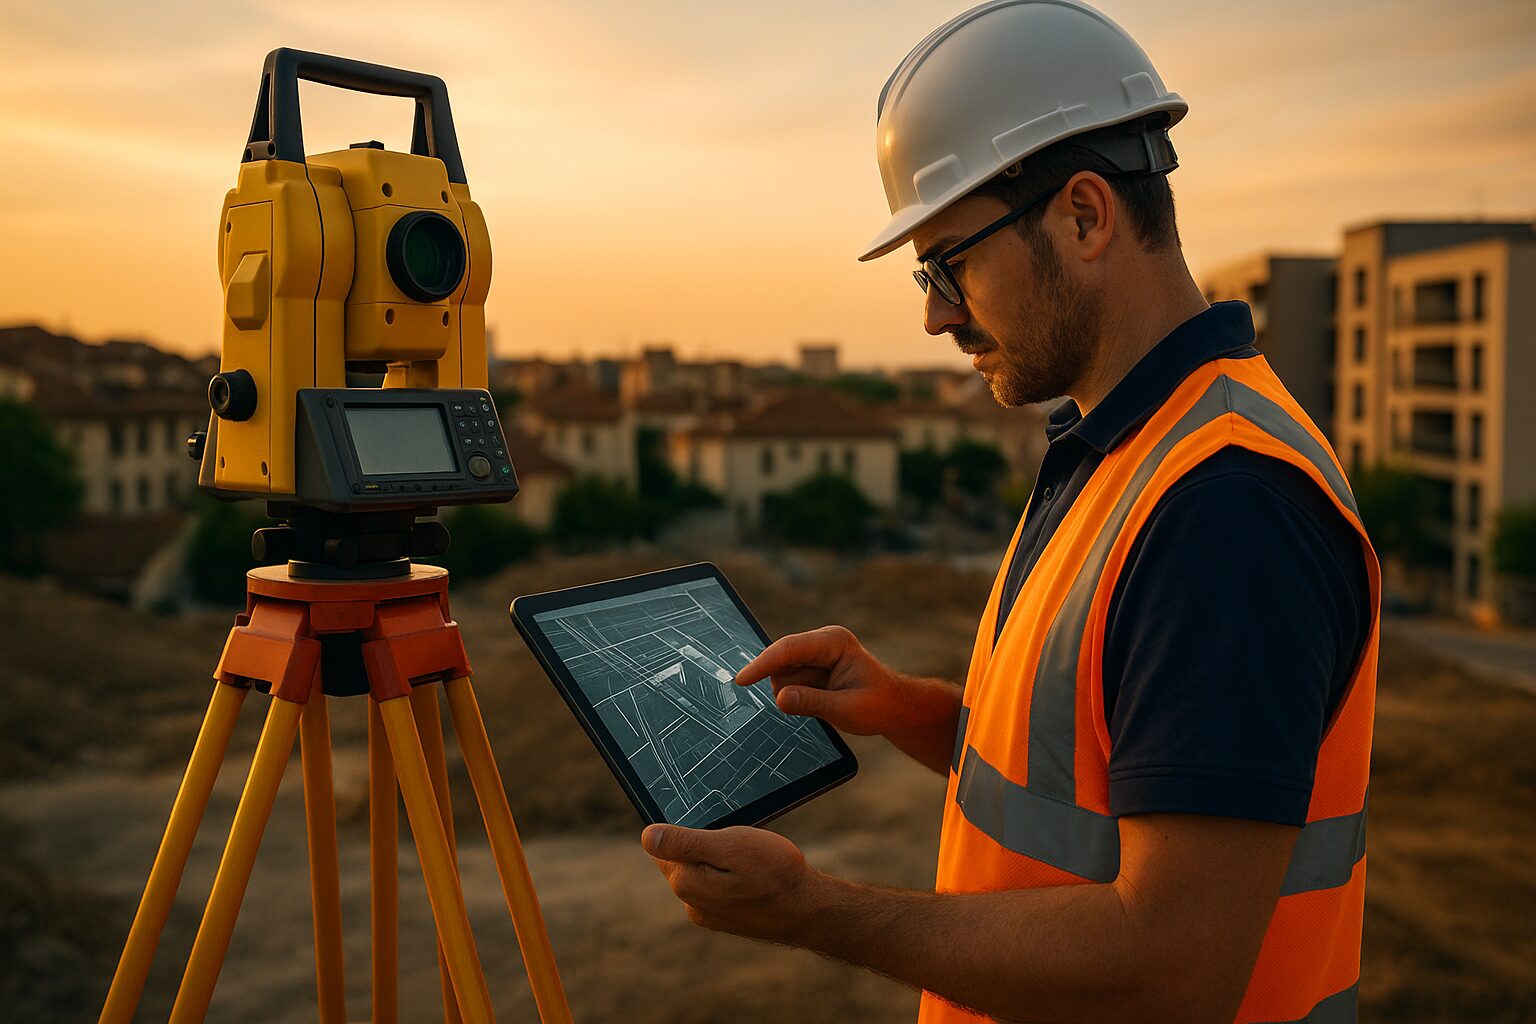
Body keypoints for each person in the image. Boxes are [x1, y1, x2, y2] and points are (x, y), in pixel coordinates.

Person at [640, 2, 1379, 1021]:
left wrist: (813, 910)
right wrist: (912, 711)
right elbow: (1096, 781)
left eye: (949, 263)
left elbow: (1176, 961)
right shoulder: (1124, 444)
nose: (936, 313)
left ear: (1084, 216)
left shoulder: (1226, 508)